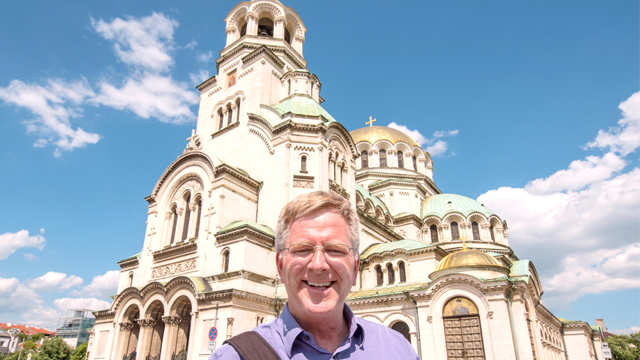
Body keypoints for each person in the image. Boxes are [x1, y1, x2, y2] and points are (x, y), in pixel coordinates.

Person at [210, 191, 419, 359]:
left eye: (335, 250)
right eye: (302, 249)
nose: (318, 265)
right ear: (280, 266)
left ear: (356, 268)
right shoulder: (235, 356)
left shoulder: (398, 349)